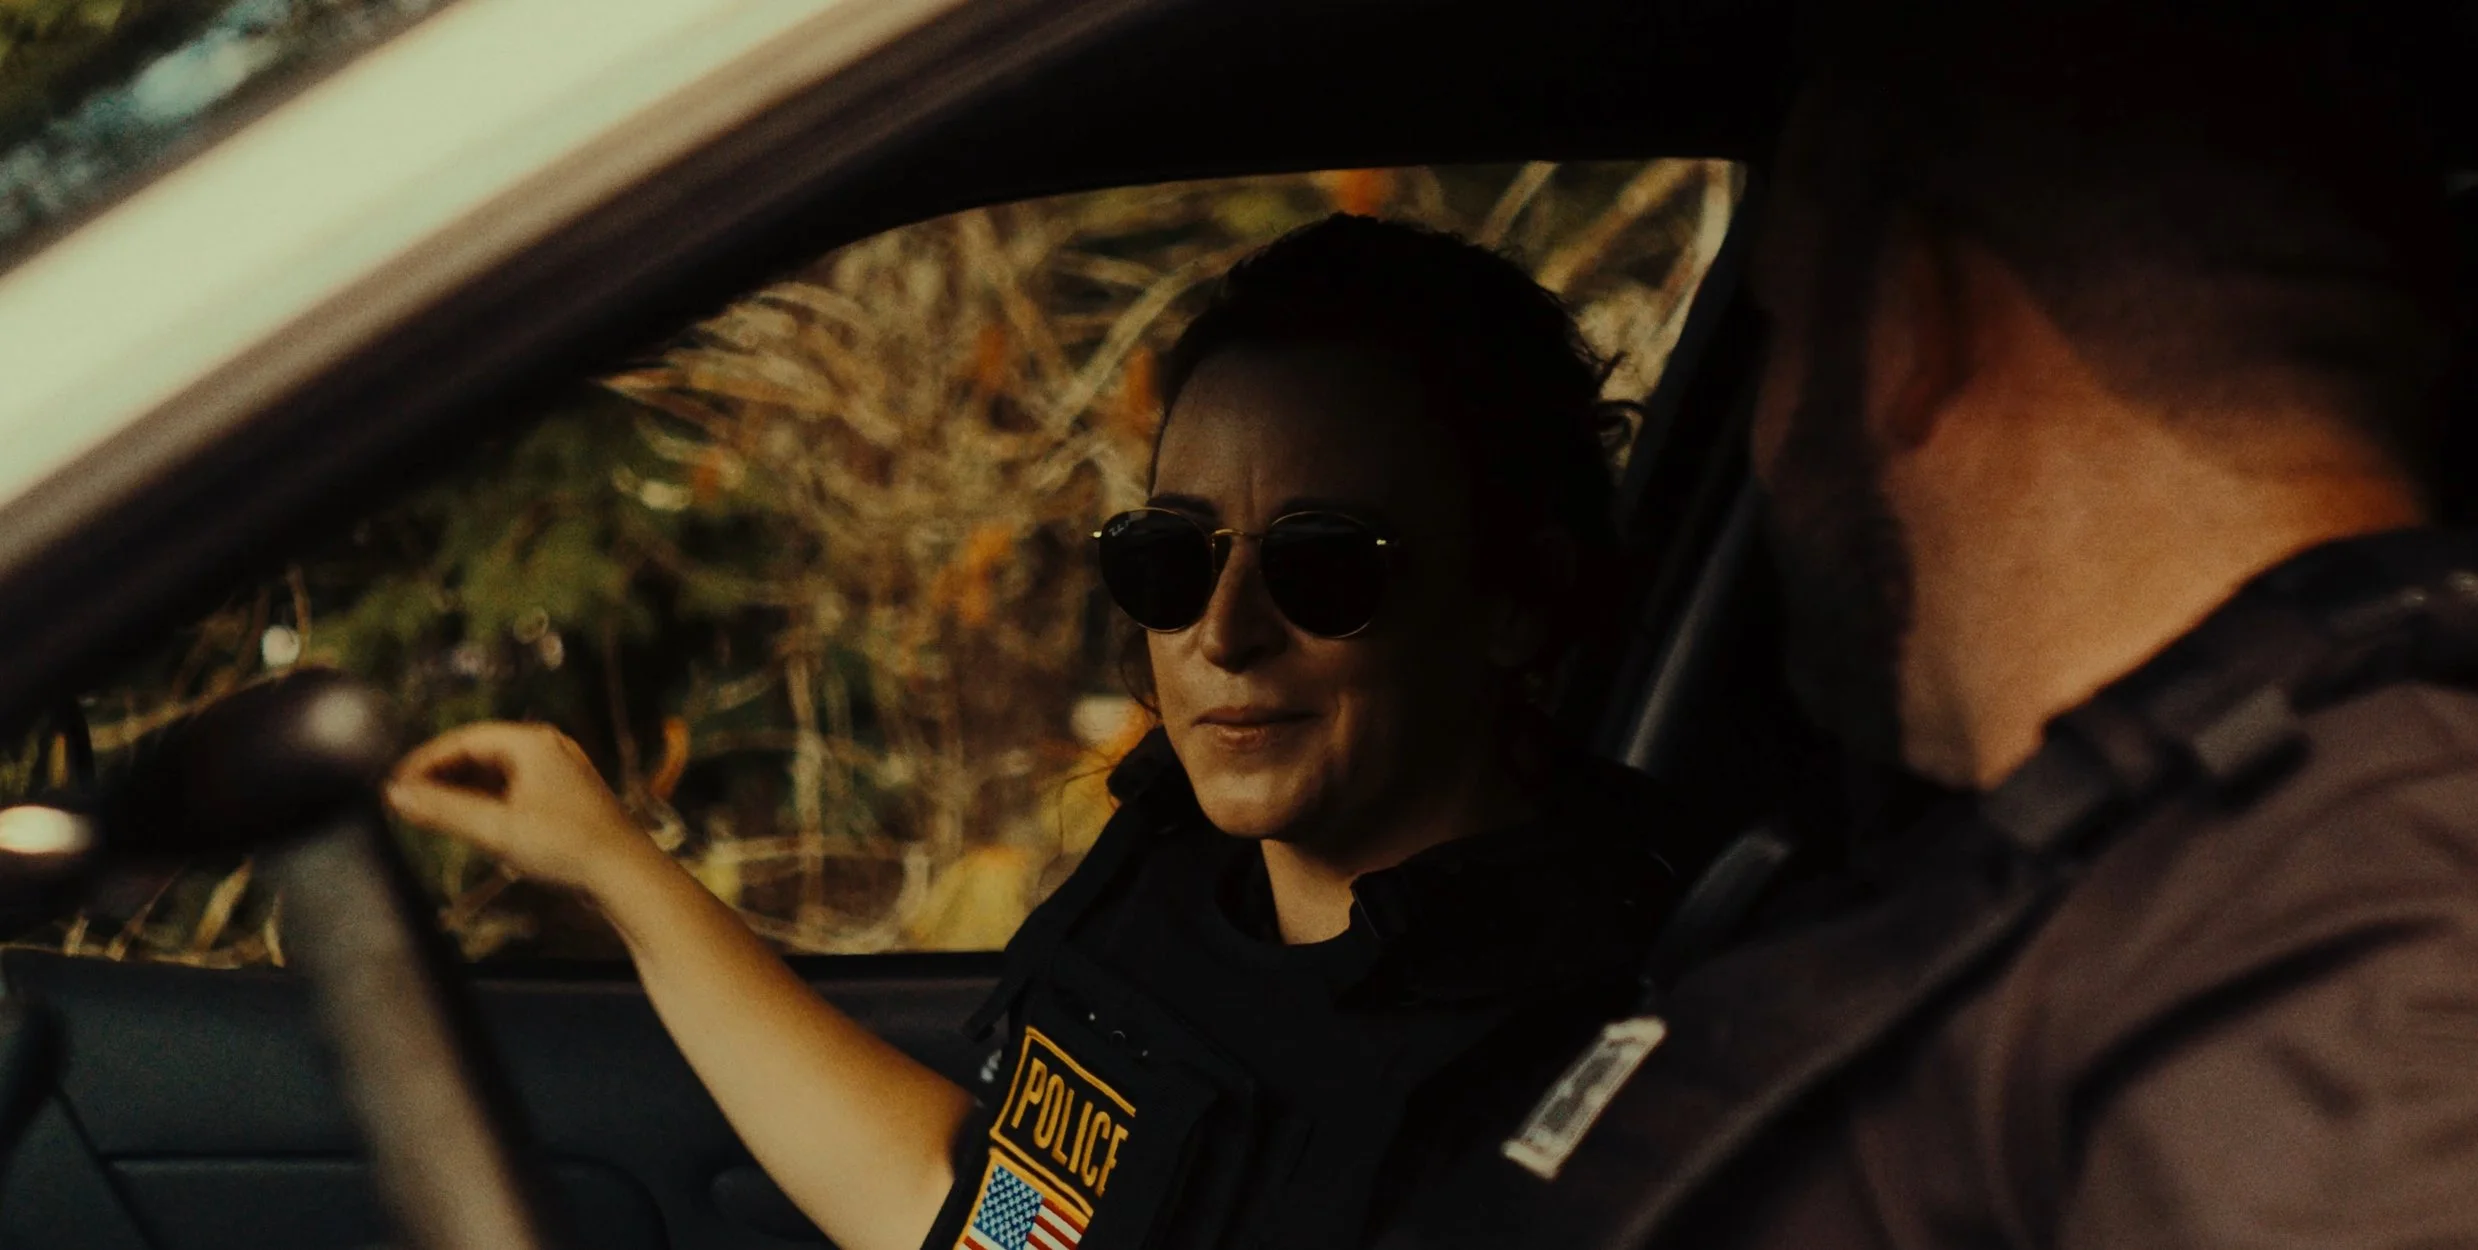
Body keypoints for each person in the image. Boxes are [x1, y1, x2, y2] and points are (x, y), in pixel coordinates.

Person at [1385, 4, 2478, 1248]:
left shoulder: (2374, 938)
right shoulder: (2181, 857)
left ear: (1912, 323)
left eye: (1782, 326)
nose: (1762, 436)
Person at [385, 214, 1693, 1250]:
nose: (1221, 635)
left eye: (1327, 564)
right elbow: (983, 1215)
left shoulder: (1608, 1055)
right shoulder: (1179, 880)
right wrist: (618, 863)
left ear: (1516, 600)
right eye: (1174, 558)